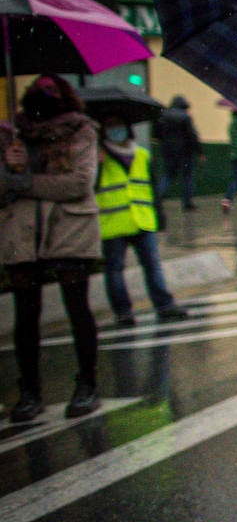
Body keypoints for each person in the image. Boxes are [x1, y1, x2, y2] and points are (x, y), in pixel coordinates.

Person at [1, 76, 103, 421]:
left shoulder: (82, 131)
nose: (42, 94)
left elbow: (78, 183)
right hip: (22, 232)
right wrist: (12, 166)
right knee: (25, 315)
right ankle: (29, 390)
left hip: (69, 229)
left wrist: (23, 181)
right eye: (37, 88)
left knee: (78, 309)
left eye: (51, 89)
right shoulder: (10, 136)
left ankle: (87, 383)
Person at [95, 112, 190, 327]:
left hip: (143, 220)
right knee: (115, 270)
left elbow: (152, 188)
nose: (115, 129)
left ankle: (164, 306)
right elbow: (91, 188)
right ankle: (123, 312)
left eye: (118, 124)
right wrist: (97, 165)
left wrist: (160, 216)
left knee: (153, 265)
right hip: (114, 223)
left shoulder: (142, 155)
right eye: (110, 125)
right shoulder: (99, 157)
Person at [154, 94, 202, 210]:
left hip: (168, 152)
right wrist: (199, 152)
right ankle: (187, 204)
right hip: (185, 153)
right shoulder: (185, 117)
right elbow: (192, 135)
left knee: (167, 176)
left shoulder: (162, 116)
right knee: (187, 178)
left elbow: (156, 134)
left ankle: (156, 200)